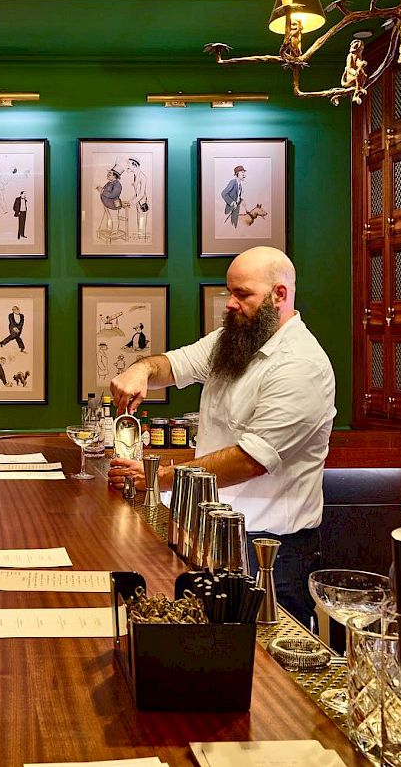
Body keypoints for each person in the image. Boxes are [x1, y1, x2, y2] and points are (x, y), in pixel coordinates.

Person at [108, 246, 336, 628]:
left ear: (279, 295)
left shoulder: (302, 366)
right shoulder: (233, 340)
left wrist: (156, 478)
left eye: (242, 294)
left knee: (268, 675)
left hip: (267, 549)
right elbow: (174, 364)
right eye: (229, 292)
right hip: (212, 533)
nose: (230, 303)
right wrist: (141, 369)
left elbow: (249, 460)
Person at [127, 157, 149, 239]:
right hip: (138, 203)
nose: (128, 166)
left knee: (142, 222)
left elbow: (141, 194)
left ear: (135, 165)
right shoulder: (135, 175)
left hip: (143, 204)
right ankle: (140, 237)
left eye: (129, 164)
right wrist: (130, 201)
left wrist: (131, 202)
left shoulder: (142, 177)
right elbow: (137, 193)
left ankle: (142, 239)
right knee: (139, 222)